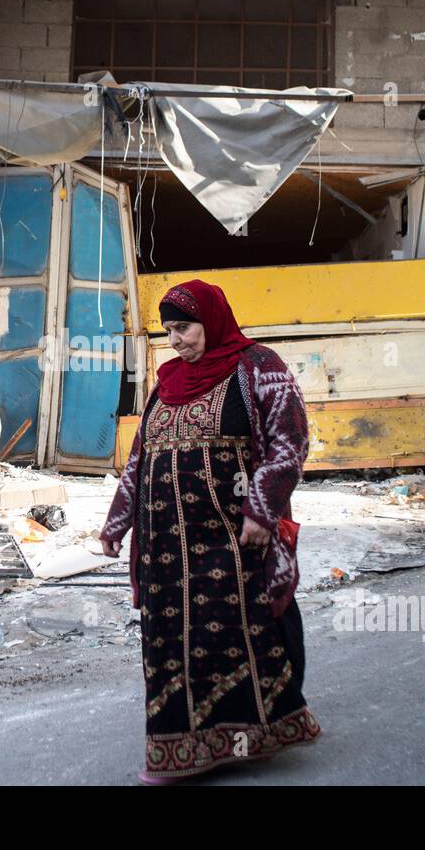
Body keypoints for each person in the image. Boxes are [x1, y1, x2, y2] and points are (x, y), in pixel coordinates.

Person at [100, 278, 322, 784]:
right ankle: (180, 748)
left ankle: (252, 733)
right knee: (168, 643)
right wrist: (117, 522)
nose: (177, 340)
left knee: (240, 631)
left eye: (185, 328)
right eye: (170, 331)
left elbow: (290, 441)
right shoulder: (169, 380)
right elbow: (139, 459)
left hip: (231, 538)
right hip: (163, 551)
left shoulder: (259, 367)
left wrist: (261, 511)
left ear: (212, 319)